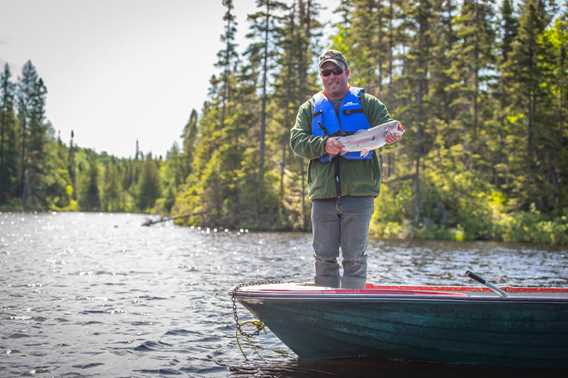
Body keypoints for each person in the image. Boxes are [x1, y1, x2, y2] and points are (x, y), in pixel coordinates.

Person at [289, 49, 402, 289]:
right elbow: (296, 142)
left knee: (355, 259)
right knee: (324, 258)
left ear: (347, 72)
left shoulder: (368, 103)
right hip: (323, 195)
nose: (332, 76)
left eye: (336, 71)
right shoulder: (309, 108)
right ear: (321, 76)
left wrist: (392, 137)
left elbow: (388, 130)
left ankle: (352, 307)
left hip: (359, 195)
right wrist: (323, 145)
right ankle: (326, 310)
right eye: (326, 72)